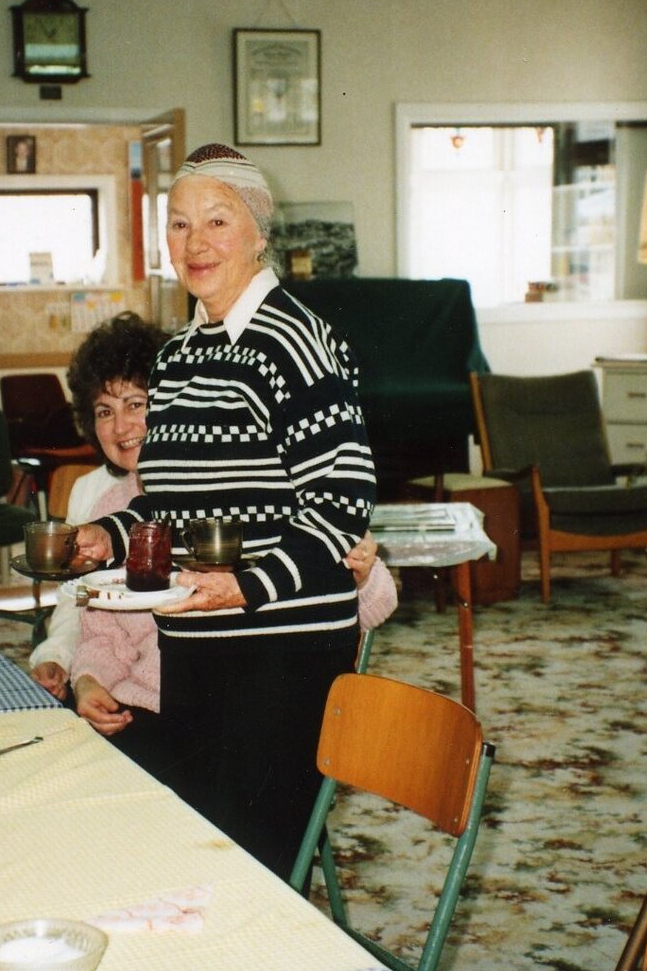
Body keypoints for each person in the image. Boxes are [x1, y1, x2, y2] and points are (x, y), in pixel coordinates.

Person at [75, 144, 377, 880]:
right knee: (197, 851)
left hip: (282, 647)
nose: (196, 242)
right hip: (196, 639)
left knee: (255, 862)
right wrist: (106, 534)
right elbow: (170, 502)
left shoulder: (295, 339)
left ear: (258, 229)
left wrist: (247, 583)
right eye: (179, 226)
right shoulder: (178, 356)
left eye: (217, 220)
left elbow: (342, 502)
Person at [28, 314, 396, 771]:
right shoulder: (112, 510)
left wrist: (362, 574)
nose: (122, 426)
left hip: (228, 715)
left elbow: (371, 606)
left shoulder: (243, 489)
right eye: (105, 411)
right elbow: (100, 630)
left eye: (136, 404)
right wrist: (87, 681)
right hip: (136, 708)